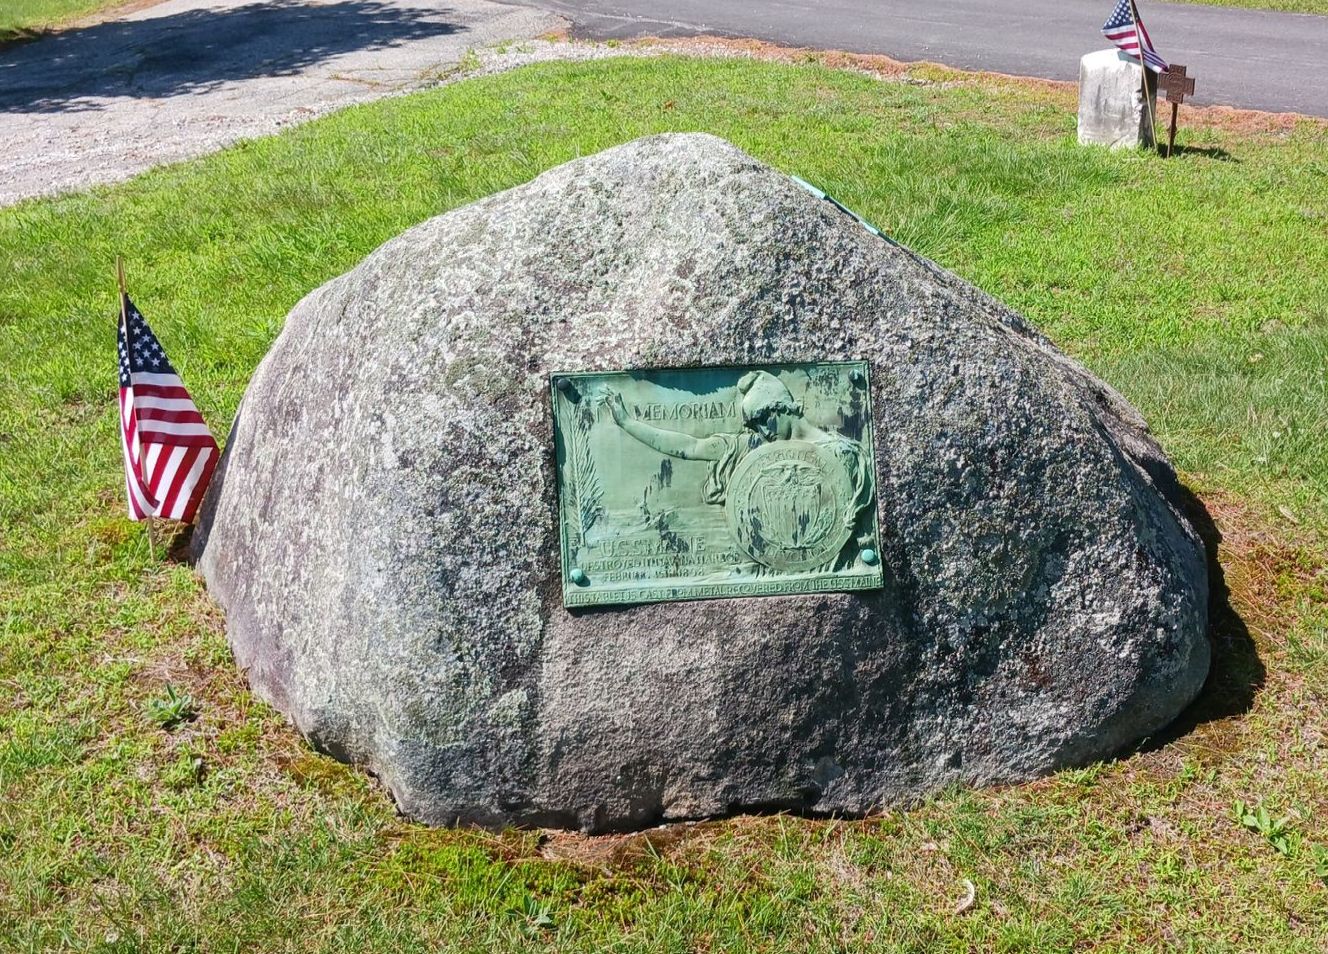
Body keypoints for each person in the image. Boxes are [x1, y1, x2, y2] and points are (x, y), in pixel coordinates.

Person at [602, 371, 873, 537]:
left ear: (780, 409)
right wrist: (627, 423)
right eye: (753, 426)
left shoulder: (842, 455)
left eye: (762, 420)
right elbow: (690, 447)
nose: (761, 432)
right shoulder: (751, 447)